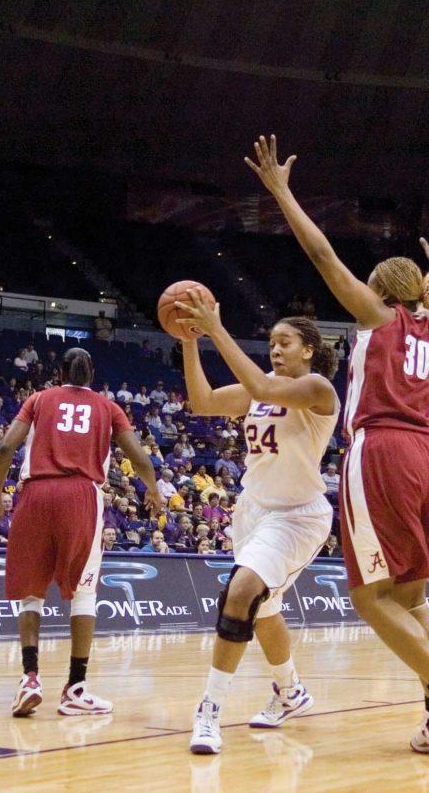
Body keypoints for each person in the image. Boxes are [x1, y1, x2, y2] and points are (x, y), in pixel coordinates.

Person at [247, 133, 429, 762]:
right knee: (411, 597)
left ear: (381, 294)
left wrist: (282, 193)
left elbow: (324, 255)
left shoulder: (378, 318)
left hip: (379, 450)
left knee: (368, 597)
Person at [173, 293, 338, 756]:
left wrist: (215, 327)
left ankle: (209, 710)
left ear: (308, 349)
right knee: (263, 609)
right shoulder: (260, 383)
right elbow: (202, 402)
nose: (276, 349)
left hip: (297, 516)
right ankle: (291, 691)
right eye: (272, 342)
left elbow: (265, 392)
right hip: (253, 511)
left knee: (241, 591)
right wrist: (190, 342)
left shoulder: (318, 389)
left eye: (285, 341)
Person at [0, 347, 163, 717]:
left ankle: (30, 678)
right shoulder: (109, 408)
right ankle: (76, 688)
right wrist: (154, 491)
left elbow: (5, 448)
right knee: (84, 593)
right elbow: (139, 457)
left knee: (32, 593)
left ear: (59, 372)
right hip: (81, 496)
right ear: (92, 373)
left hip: (35, 494)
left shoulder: (37, 399)